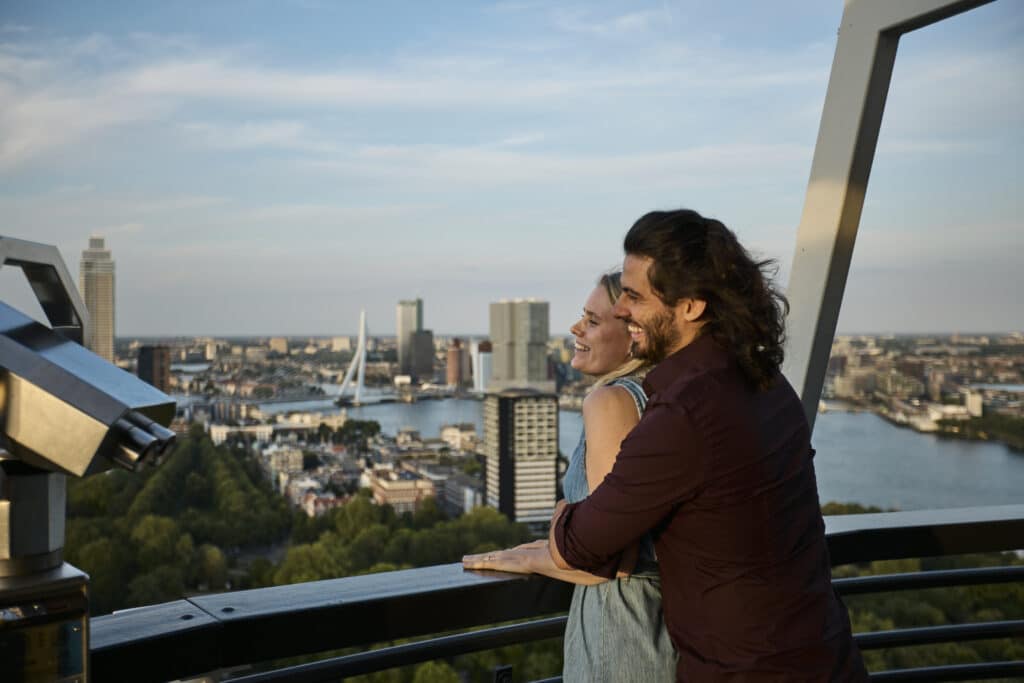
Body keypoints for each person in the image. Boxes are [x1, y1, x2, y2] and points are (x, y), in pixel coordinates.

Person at [549, 210, 868, 681]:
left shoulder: (683, 413)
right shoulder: (766, 382)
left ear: (690, 306)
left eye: (634, 296)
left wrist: (560, 516)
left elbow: (582, 543)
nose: (622, 310)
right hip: (826, 655)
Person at [463, 271, 677, 682]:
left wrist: (530, 556)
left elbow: (607, 557)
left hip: (623, 636)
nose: (575, 328)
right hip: (667, 627)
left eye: (593, 321)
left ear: (634, 333)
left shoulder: (611, 400)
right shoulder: (668, 394)